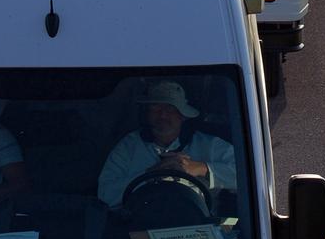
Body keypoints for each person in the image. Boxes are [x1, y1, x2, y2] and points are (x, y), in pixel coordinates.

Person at [97, 81, 237, 210]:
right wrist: (151, 174)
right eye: (155, 107)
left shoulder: (210, 145)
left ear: (183, 115)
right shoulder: (129, 146)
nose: (163, 115)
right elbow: (105, 194)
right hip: (139, 227)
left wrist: (201, 169)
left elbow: (248, 177)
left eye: (170, 108)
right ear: (146, 113)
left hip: (197, 231)